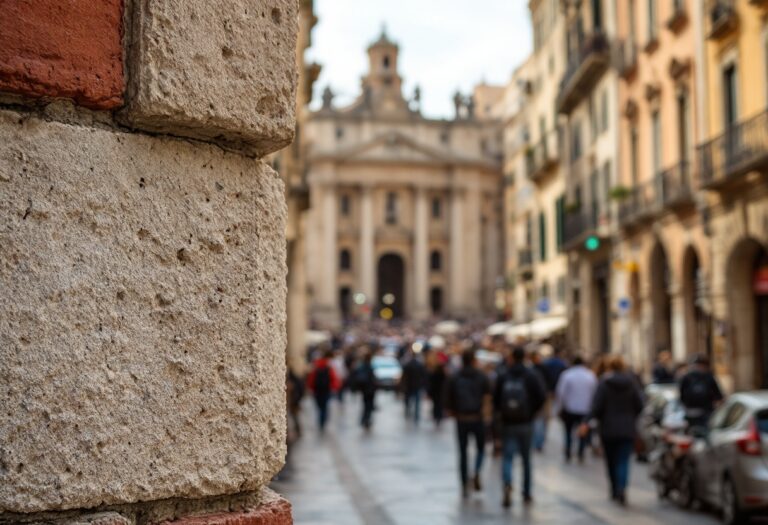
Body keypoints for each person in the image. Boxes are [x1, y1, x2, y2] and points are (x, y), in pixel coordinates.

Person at [587, 355, 644, 505]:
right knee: (623, 460)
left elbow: (596, 406)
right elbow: (640, 405)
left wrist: (589, 421)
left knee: (611, 461)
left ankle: (614, 488)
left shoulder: (604, 383)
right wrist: (631, 416)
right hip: (627, 427)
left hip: (608, 428)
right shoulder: (631, 383)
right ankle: (622, 488)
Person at [494, 347, 546, 508]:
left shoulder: (503, 375)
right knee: (526, 459)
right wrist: (531, 412)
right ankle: (527, 491)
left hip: (508, 422)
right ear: (524, 357)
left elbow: (496, 400)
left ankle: (507, 483)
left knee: (507, 457)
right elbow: (541, 397)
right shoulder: (531, 375)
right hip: (525, 422)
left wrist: (502, 414)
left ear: (511, 358)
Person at [444, 348, 492, 498]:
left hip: (461, 419)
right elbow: (488, 397)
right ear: (474, 360)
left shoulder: (455, 376)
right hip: (477, 418)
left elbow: (447, 399)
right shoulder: (481, 376)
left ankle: (464, 482)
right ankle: (477, 470)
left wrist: (453, 411)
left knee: (463, 452)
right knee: (481, 449)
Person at [555, 356, 598, 463]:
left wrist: (560, 406)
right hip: (585, 409)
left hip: (570, 408)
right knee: (582, 431)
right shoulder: (590, 375)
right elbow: (595, 393)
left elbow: (561, 393)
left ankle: (568, 451)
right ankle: (580, 452)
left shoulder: (567, 375)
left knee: (568, 432)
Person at [679, 353, 723, 428]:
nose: (698, 368)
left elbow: (717, 394)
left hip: (705, 411)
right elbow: (682, 394)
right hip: (692, 411)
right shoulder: (687, 378)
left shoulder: (708, 377)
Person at [306, 350, 341, 432]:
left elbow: (311, 379)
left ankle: (321, 420)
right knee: (324, 406)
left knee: (319, 406)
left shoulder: (316, 367)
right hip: (326, 390)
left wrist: (310, 388)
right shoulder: (329, 367)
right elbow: (334, 378)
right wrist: (334, 387)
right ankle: (323, 420)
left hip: (317, 391)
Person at [350, 351, 378, 430]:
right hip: (370, 390)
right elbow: (373, 380)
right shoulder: (370, 367)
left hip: (364, 390)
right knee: (368, 406)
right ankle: (366, 419)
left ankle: (364, 419)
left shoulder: (361, 366)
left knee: (365, 405)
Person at [530, 350, 549, 452]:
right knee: (539, 422)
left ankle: (538, 442)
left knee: (538, 422)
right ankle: (538, 442)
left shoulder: (533, 370)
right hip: (537, 399)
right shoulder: (533, 370)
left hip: (538, 400)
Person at [402, 352, 428, 423]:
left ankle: (408, 412)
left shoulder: (408, 365)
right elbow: (424, 376)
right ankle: (416, 415)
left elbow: (404, 377)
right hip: (417, 386)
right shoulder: (419, 365)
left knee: (409, 401)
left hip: (409, 386)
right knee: (417, 402)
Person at [427, 359, 447, 427]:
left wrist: (429, 393)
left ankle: (436, 416)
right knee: (439, 405)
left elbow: (431, 384)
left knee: (436, 405)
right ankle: (439, 417)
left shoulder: (434, 374)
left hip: (436, 393)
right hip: (440, 393)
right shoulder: (444, 376)